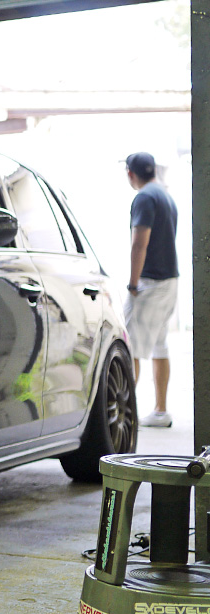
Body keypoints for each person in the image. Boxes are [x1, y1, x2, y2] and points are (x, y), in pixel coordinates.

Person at [123, 152, 179, 428]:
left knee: (130, 348)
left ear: (130, 174)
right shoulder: (165, 195)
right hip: (169, 282)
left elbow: (139, 243)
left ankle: (123, 413)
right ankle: (160, 411)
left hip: (150, 283)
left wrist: (133, 284)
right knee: (159, 346)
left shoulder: (144, 197)